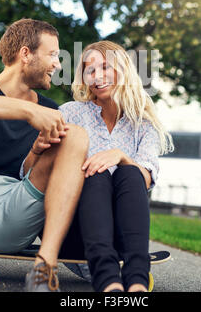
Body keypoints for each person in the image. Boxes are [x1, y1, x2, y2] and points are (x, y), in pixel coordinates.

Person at [0, 18, 89, 292]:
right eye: (52, 54)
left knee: (74, 134)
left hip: (13, 210)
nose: (58, 64)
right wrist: (26, 111)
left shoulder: (50, 109)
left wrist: (36, 153)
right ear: (25, 54)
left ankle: (44, 268)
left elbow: (42, 173)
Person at [58, 40, 174, 293]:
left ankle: (135, 283)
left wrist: (121, 156)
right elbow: (33, 171)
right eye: (90, 70)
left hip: (122, 241)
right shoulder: (71, 113)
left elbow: (144, 179)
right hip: (75, 235)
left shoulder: (143, 125)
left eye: (105, 68)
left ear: (123, 70)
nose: (97, 77)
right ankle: (108, 281)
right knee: (95, 173)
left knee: (130, 171)